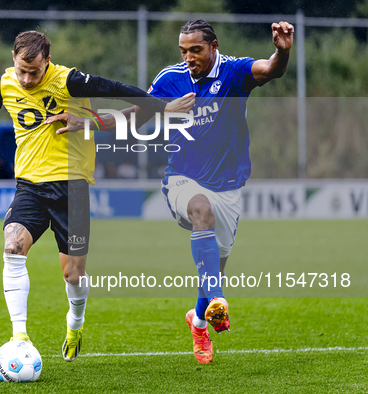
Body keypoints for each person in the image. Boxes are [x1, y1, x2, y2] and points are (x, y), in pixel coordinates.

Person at [0, 30, 192, 362]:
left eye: (34, 72)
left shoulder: (70, 81)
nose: (26, 79)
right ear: (13, 59)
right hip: (30, 186)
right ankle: (19, 336)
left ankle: (75, 322)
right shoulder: (5, 83)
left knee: (73, 274)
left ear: (47, 62)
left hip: (72, 188)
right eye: (21, 70)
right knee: (12, 247)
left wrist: (163, 106)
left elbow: (119, 90)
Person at [45, 19, 293, 364]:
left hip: (229, 186)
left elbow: (270, 70)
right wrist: (86, 123)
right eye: (184, 51)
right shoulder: (169, 79)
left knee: (214, 267)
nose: (189, 57)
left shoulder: (234, 73)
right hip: (182, 180)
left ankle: (200, 320)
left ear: (214, 46)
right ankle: (220, 300)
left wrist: (282, 52)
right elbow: (135, 115)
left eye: (196, 50)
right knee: (201, 210)